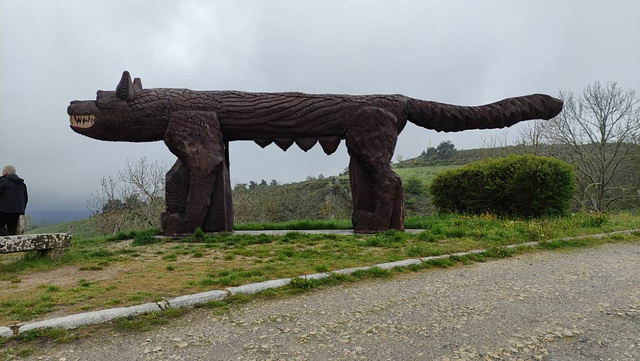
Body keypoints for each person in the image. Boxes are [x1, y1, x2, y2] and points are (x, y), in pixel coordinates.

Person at [0, 165, 28, 236]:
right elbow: (25, 198)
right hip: (17, 211)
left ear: (5, 172)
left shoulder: (3, 181)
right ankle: (11, 244)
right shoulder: (22, 184)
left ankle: (7, 237)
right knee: (12, 230)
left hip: (3, 210)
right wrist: (21, 209)